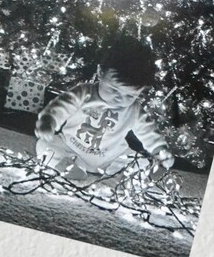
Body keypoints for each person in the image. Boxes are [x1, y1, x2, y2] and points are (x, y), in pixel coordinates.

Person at [34, 36, 174, 178]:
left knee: (140, 162)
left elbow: (148, 130)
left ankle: (114, 177)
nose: (120, 99)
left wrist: (160, 150)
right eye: (114, 90)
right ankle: (72, 170)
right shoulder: (84, 92)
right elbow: (62, 106)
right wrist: (49, 121)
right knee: (45, 145)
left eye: (130, 96)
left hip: (111, 158)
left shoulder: (134, 109)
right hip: (70, 148)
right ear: (101, 72)